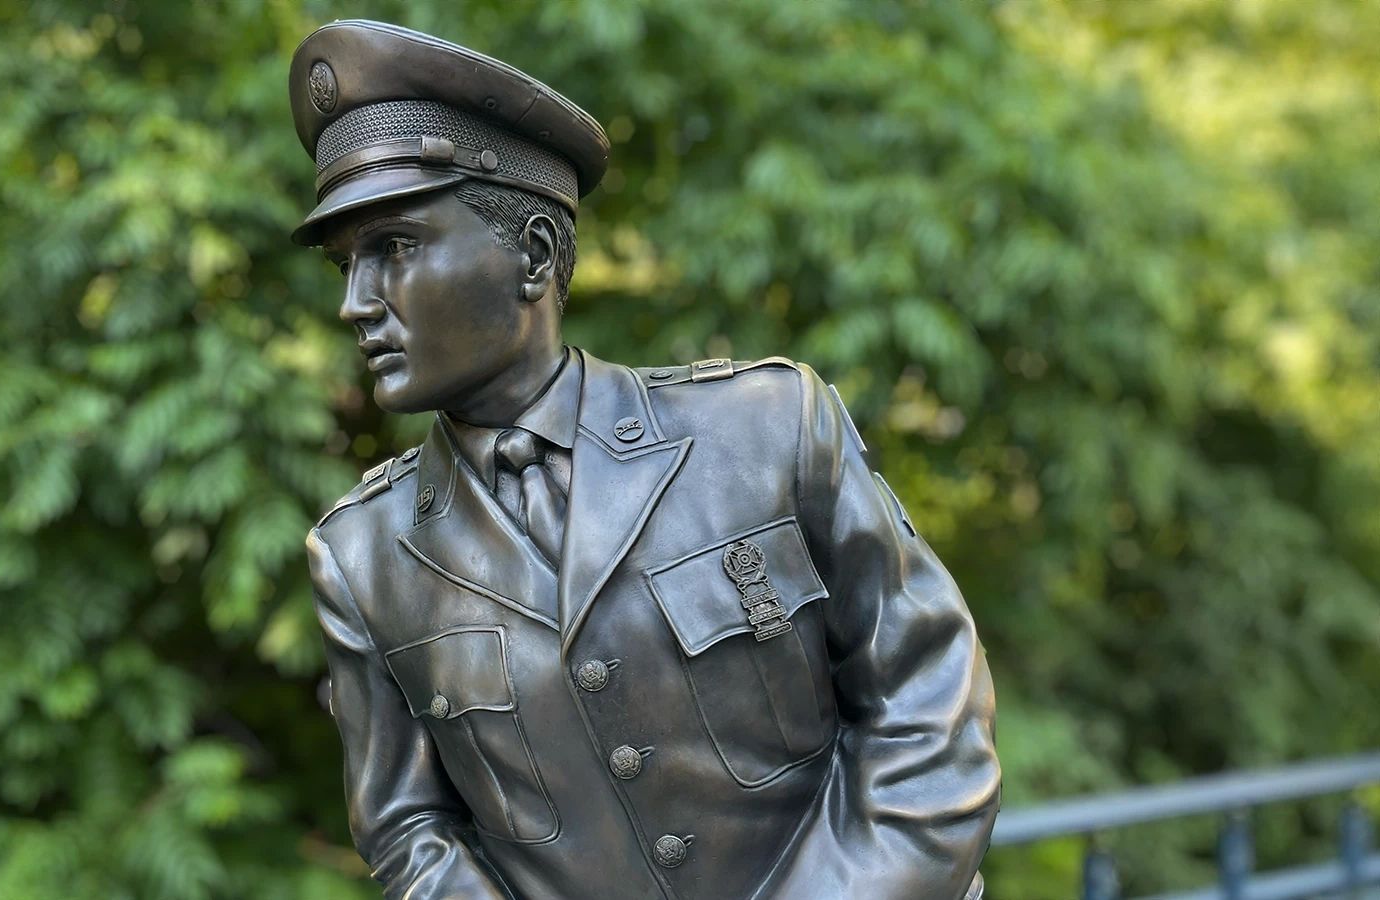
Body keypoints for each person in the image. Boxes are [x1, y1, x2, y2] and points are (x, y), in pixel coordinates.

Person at [291, 20, 999, 900]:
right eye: (345, 263)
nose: (356, 303)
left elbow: (928, 707)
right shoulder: (363, 558)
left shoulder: (765, 431)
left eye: (394, 248)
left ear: (534, 255)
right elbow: (411, 836)